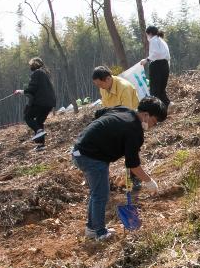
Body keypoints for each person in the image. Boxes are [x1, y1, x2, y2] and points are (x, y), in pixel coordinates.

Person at [71, 97, 166, 241]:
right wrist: (149, 181)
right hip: (90, 156)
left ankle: (92, 228)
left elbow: (99, 114)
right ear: (146, 115)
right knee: (101, 194)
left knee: (97, 192)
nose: (153, 125)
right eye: (154, 121)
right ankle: (99, 233)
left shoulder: (124, 109)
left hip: (79, 150)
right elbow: (133, 165)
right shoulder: (134, 131)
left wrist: (107, 136)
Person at [16, 57, 56, 149]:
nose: (30, 67)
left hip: (41, 102)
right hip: (50, 103)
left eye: (30, 65)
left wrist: (21, 91)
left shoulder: (37, 73)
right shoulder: (45, 74)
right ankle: (41, 145)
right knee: (39, 121)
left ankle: (38, 131)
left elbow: (32, 89)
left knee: (27, 117)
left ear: (34, 65)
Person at [143, 26, 172, 107]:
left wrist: (146, 60)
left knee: (154, 89)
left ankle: (156, 109)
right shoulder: (161, 41)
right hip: (165, 65)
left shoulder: (153, 40)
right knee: (161, 88)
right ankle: (167, 104)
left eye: (147, 35)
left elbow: (156, 53)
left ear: (150, 33)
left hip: (157, 65)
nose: (147, 37)